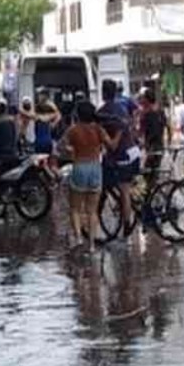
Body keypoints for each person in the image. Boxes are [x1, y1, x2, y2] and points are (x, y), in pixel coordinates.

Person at [65, 102, 119, 253]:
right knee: (92, 211)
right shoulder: (98, 129)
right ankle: (92, 245)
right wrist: (120, 133)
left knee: (75, 208)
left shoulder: (73, 130)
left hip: (79, 167)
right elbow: (112, 146)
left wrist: (72, 151)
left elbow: (63, 147)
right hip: (96, 168)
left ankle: (78, 238)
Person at [100, 82, 142, 234]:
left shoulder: (103, 112)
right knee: (128, 186)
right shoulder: (122, 108)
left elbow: (109, 141)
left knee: (124, 189)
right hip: (132, 151)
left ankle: (127, 223)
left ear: (103, 93)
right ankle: (133, 205)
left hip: (122, 155)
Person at [139, 91, 171, 180]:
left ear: (147, 100)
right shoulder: (160, 111)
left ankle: (154, 191)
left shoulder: (147, 114)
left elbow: (142, 132)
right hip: (159, 145)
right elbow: (168, 126)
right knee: (153, 173)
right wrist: (169, 141)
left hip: (152, 148)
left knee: (148, 173)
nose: (141, 101)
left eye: (143, 99)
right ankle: (154, 190)